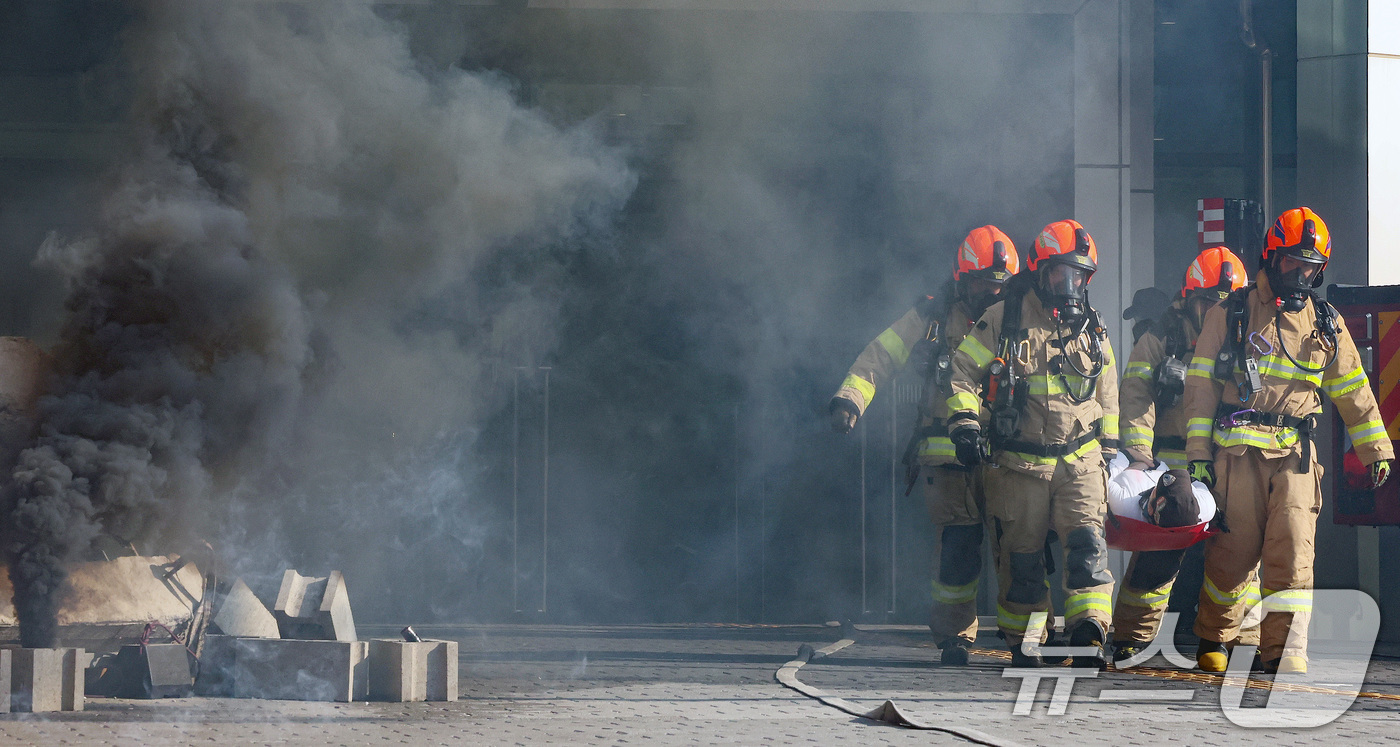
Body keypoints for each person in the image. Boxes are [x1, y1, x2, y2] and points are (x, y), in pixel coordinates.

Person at [1184, 207, 1395, 674]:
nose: (1300, 275)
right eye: (1292, 264)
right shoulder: (1231, 312)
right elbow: (1200, 388)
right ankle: (1214, 636)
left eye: (1310, 267)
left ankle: (1283, 650)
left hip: (1296, 458)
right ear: (1271, 257)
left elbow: (1353, 389)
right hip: (1237, 454)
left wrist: (1375, 449)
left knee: (1295, 552)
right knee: (1232, 554)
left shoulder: (1325, 320)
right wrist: (1198, 456)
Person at [830, 225, 1020, 666]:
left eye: (999, 286)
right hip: (947, 454)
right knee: (957, 546)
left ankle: (1024, 636)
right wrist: (850, 400)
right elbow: (881, 355)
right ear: (961, 279)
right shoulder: (932, 318)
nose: (991, 294)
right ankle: (955, 636)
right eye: (982, 284)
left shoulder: (1019, 320)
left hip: (1007, 455)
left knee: (1017, 545)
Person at [945, 219, 1119, 668]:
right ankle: (1026, 640)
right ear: (1042, 272)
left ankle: (1089, 632)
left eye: (1079, 276)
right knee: (1021, 563)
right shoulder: (1005, 319)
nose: (1070, 285)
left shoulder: (1091, 326)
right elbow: (963, 372)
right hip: (1019, 466)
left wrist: (1114, 445)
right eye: (1062, 274)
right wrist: (965, 422)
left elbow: (1107, 386)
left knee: (1087, 549)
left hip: (1081, 461)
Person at [1112, 246, 1247, 665]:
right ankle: (1131, 638)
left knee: (1239, 553)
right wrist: (1138, 456)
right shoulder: (1161, 339)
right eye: (1208, 300)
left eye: (1224, 303)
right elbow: (1134, 398)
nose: (1215, 311)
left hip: (1228, 462)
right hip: (1173, 468)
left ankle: (1233, 640)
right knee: (1160, 552)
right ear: (1189, 297)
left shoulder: (1246, 340)